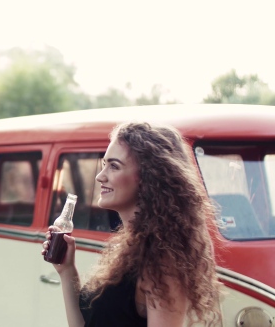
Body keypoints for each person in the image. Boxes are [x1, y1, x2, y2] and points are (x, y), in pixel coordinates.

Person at [42, 122, 222, 327]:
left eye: (114, 166)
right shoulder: (127, 248)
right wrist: (67, 271)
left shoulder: (161, 263)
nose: (100, 177)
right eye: (104, 165)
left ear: (148, 178)